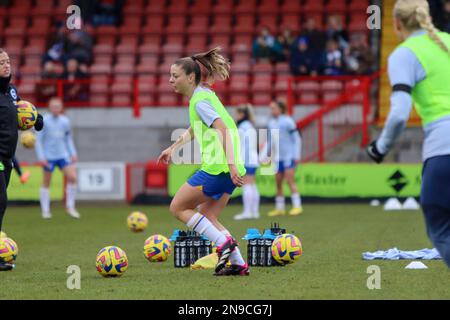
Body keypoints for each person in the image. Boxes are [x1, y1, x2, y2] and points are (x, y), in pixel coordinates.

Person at [367, 0, 450, 268]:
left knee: (441, 227)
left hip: (444, 148)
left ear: (396, 24)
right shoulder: (446, 41)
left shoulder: (404, 54)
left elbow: (400, 113)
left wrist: (380, 147)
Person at [157, 47, 249, 276]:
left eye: (174, 76)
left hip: (219, 168)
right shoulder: (203, 96)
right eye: (170, 76)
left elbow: (224, 130)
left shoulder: (199, 101)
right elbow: (196, 128)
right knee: (207, 215)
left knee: (178, 207)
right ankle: (238, 264)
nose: (170, 80)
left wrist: (230, 166)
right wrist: (173, 147)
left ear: (190, 77)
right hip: (226, 167)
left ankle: (223, 244)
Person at [0, 48, 43, 271]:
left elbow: (19, 112)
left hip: (6, 158)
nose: (7, 65)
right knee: (0, 201)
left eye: (7, 61)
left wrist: (36, 119)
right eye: (1, 63)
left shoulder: (12, 93)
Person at [35, 97, 80, 219]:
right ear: (49, 107)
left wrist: (73, 153)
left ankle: (70, 207)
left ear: (61, 108)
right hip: (49, 157)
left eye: (58, 106)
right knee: (46, 182)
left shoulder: (65, 121)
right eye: (53, 106)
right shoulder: (44, 120)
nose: (56, 109)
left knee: (73, 177)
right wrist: (41, 157)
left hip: (63, 155)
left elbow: (68, 139)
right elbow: (38, 141)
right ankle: (45, 210)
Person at [261, 100, 303, 217]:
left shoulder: (288, 121)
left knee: (290, 180)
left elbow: (297, 139)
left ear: (280, 109)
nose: (272, 110)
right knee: (278, 183)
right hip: (278, 158)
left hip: (289, 156)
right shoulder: (271, 123)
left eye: (273, 108)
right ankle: (280, 208)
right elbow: (270, 141)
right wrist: (265, 156)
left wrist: (296, 156)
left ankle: (297, 206)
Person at [233, 104, 260, 220]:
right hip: (253, 158)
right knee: (252, 184)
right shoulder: (250, 126)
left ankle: (248, 212)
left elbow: (237, 144)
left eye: (237, 114)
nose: (235, 116)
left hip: (246, 158)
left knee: (247, 185)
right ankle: (254, 212)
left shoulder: (242, 127)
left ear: (242, 114)